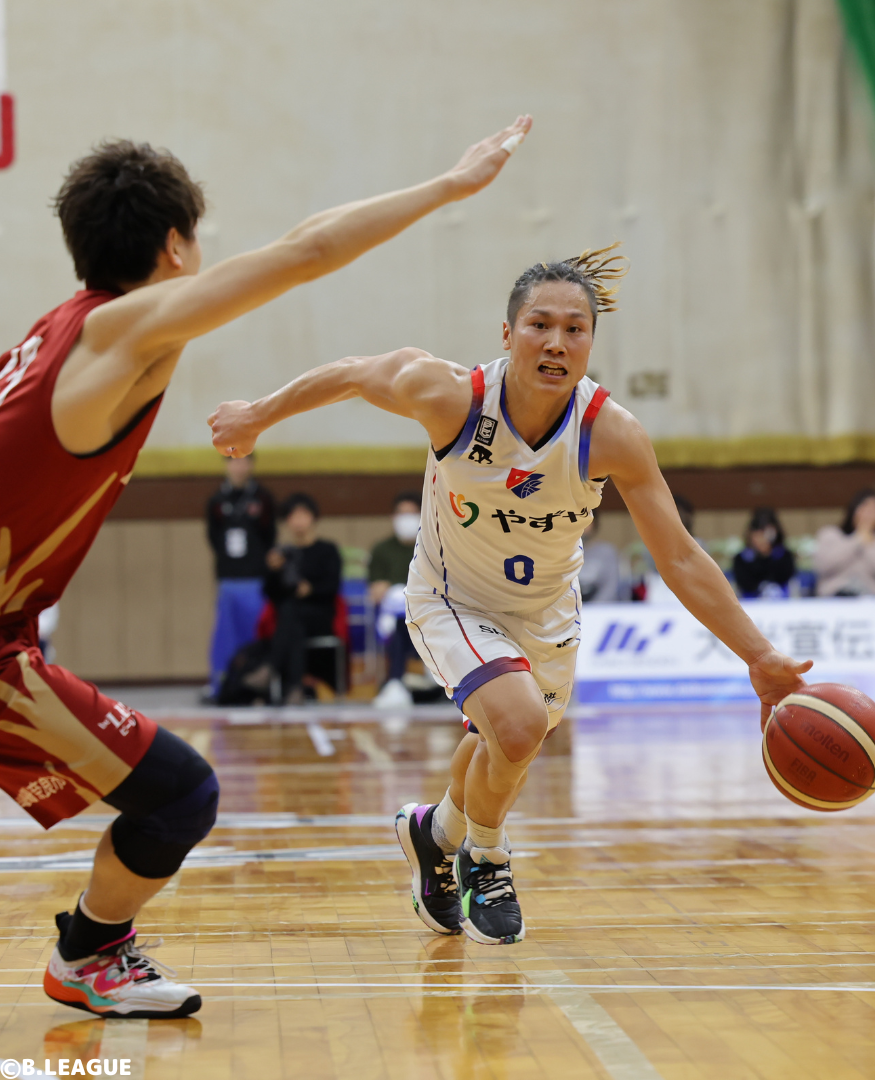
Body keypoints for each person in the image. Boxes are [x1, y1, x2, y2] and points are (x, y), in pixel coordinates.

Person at [0, 116, 530, 1016]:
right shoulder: (123, 331)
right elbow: (306, 250)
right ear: (177, 247)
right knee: (178, 795)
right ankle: (88, 956)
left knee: (175, 792)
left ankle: (92, 952)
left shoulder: (55, 334)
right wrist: (450, 186)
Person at [208, 244, 813, 947]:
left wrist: (759, 655)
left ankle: (434, 834)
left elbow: (677, 554)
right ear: (507, 333)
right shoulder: (451, 397)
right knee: (519, 726)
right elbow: (352, 373)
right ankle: (486, 859)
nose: (556, 343)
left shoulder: (611, 434)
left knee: (504, 745)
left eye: (575, 329)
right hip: (451, 597)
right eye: (539, 325)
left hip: (546, 613)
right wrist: (256, 415)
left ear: (591, 343)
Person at [244, 494, 342, 704]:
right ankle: (295, 689)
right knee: (292, 619)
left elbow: (332, 586)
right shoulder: (282, 553)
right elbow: (269, 593)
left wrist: (311, 589)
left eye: (303, 515)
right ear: (287, 521)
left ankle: (270, 669)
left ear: (313, 518)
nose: (298, 521)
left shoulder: (327, 550)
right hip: (290, 619)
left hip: (320, 616)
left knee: (291, 614)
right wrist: (272, 571)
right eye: (293, 516)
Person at [205, 453, 276, 697]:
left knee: (255, 632)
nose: (239, 466)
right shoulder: (216, 500)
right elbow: (214, 537)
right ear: (226, 465)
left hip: (255, 580)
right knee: (225, 635)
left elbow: (269, 536)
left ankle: (255, 685)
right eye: (233, 461)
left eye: (244, 460)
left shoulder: (263, 498)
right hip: (228, 579)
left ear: (251, 464)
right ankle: (222, 686)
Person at [368, 492, 425, 707]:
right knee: (400, 624)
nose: (406, 519)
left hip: (427, 611)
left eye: (412, 513)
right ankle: (395, 681)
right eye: (402, 514)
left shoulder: (432, 546)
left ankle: (404, 680)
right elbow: (376, 591)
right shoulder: (382, 549)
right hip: (394, 618)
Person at [814, 489, 875, 597]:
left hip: (873, 599)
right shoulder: (830, 534)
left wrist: (868, 539)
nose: (869, 514)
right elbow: (823, 566)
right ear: (853, 509)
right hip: (833, 599)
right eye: (864, 507)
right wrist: (858, 538)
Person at [732, 508, 795, 598]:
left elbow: (786, 577)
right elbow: (744, 583)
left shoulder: (784, 556)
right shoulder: (741, 559)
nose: (762, 539)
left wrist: (767, 555)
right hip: (750, 602)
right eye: (757, 535)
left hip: (781, 601)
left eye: (765, 534)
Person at [578, 511, 625, 602]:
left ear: (594, 523)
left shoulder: (606, 552)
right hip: (568, 608)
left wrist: (595, 608)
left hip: (600, 608)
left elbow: (611, 587)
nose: (581, 526)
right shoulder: (559, 553)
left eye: (586, 521)